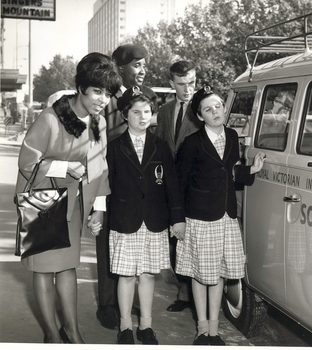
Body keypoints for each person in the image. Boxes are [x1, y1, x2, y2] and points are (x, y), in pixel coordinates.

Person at [15, 52, 121, 343]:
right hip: (41, 203)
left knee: (67, 266)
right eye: (97, 91)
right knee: (44, 268)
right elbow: (27, 162)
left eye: (108, 93)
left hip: (72, 205)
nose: (103, 99)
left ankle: (72, 331)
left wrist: (98, 207)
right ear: (81, 86)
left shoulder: (98, 123)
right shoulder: (50, 118)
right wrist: (65, 166)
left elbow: (100, 166)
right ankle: (51, 332)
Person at [175, 86, 265, 345]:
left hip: (225, 216)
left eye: (218, 106)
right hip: (200, 217)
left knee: (219, 274)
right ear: (200, 116)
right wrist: (177, 219)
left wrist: (252, 170)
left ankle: (214, 331)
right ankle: (201, 330)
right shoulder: (192, 143)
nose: (215, 112)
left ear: (224, 108)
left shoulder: (232, 135)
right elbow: (179, 184)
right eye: (207, 109)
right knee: (200, 275)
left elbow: (230, 175)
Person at [106, 86, 186, 344]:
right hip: (125, 219)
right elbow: (106, 183)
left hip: (154, 220)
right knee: (127, 274)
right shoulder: (114, 147)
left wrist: (177, 217)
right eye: (136, 112)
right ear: (125, 115)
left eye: (147, 112)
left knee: (148, 274)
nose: (143, 117)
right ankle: (126, 326)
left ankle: (146, 326)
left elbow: (171, 183)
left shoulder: (160, 146)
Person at [97, 43, 157, 330]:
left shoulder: (147, 99)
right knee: (109, 247)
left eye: (144, 64)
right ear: (119, 69)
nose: (143, 70)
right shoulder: (105, 101)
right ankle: (108, 304)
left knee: (138, 250)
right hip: (110, 187)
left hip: (140, 190)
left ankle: (131, 301)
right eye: (137, 65)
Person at [155, 60, 203, 312]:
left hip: (196, 187)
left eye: (192, 83)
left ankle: (197, 297)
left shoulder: (203, 108)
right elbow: (162, 148)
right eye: (182, 84)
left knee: (195, 240)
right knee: (176, 240)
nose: (188, 89)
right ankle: (183, 294)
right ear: (171, 84)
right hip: (171, 187)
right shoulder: (164, 111)